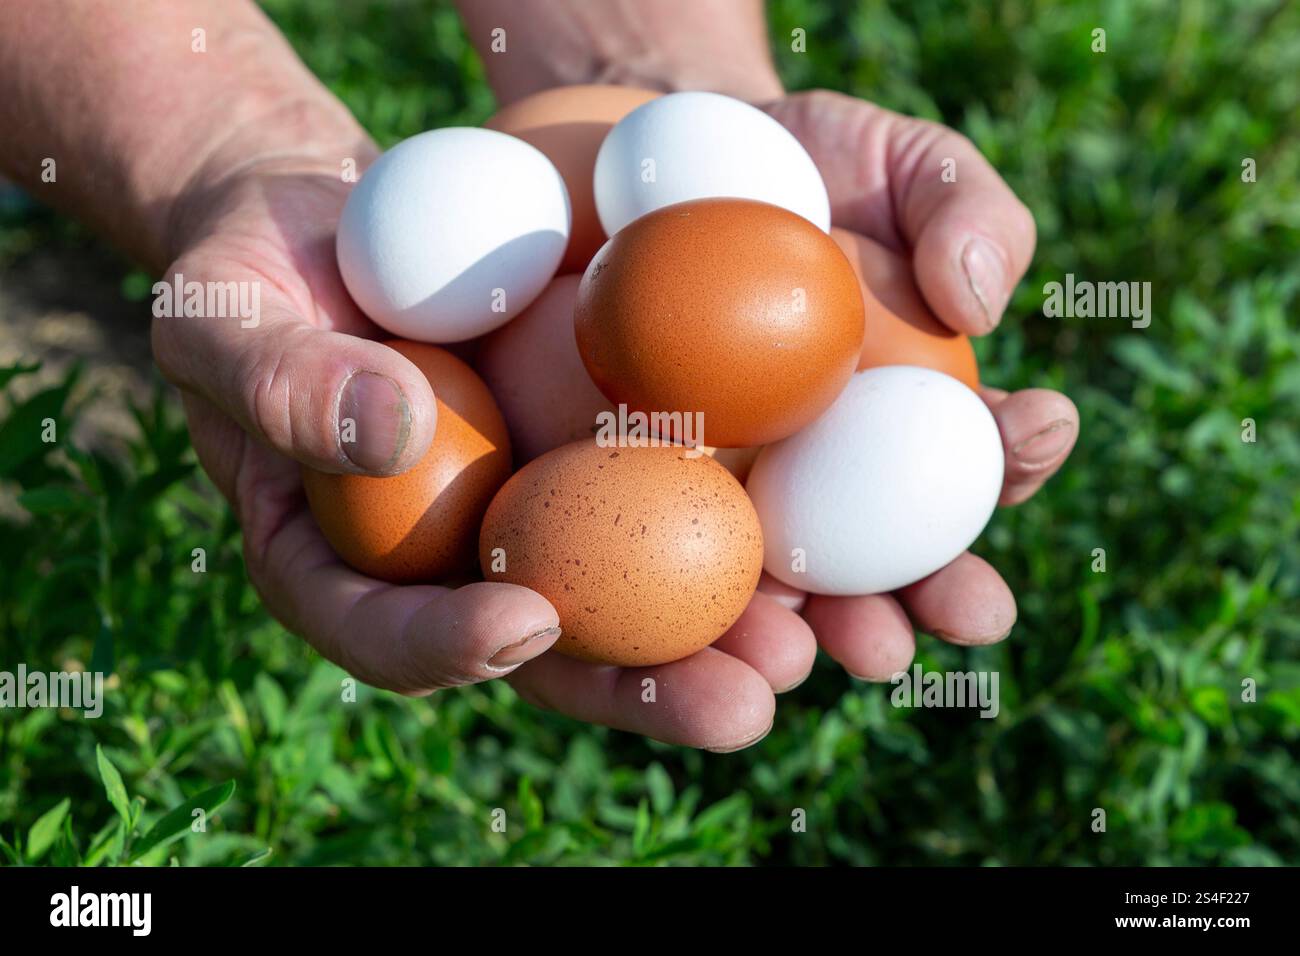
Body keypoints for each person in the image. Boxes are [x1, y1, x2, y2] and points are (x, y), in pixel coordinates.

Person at [0, 0, 1077, 751]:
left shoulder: (697, 298)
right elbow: (668, 312)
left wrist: (652, 88)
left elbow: (698, 309)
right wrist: (230, 156)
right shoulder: (614, 306)